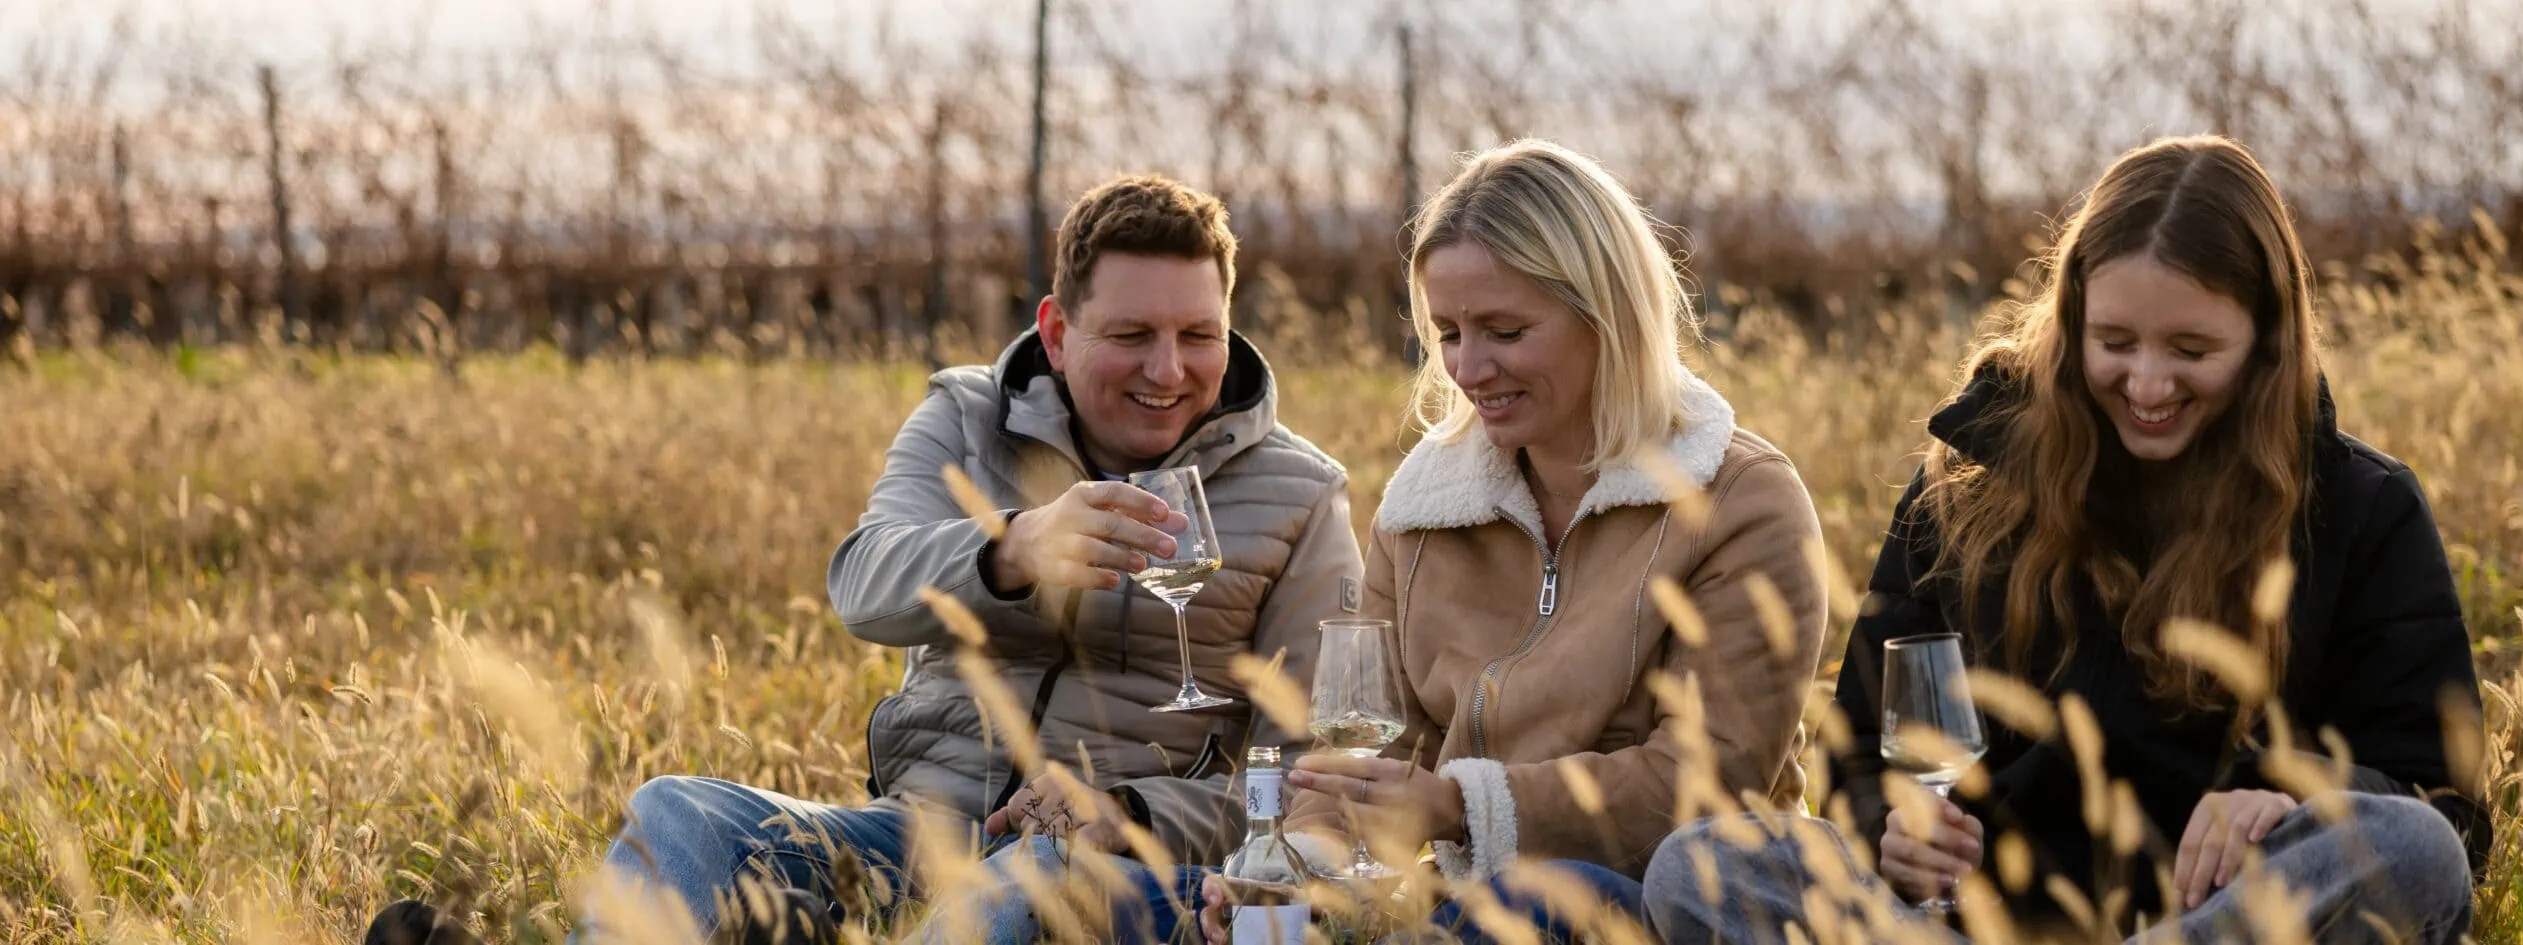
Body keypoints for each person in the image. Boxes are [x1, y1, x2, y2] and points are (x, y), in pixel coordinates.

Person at [364, 174, 1363, 945]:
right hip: (920, 830)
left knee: (1025, 883)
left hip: (1108, 865)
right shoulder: (966, 417)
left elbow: (1319, 775)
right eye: (1132, 334)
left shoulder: (1300, 494)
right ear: (1057, 334)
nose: (1169, 369)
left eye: (1198, 335)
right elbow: (863, 582)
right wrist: (1012, 547)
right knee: (681, 813)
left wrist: (1130, 810)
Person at [1642, 135, 2489, 945]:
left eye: (2191, 349)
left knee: (2412, 850)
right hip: (1970, 923)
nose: (2147, 384)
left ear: (2267, 338)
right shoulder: (1969, 484)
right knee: (1701, 864)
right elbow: (1858, 758)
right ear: (2072, 317)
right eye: (2115, 342)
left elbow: (2443, 807)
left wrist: (2293, 798)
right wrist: (1889, 829)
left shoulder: (2360, 508)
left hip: (2215, 922)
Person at [1192, 138, 1832, 944]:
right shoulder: (1422, 511)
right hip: (1461, 906)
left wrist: (1463, 806)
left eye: (1504, 330)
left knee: (1534, 898)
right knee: (1169, 897)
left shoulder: (1741, 502)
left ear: (1607, 314)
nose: (1469, 368)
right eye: (1449, 333)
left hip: (1663, 910)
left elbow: (1702, 784)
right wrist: (1301, 870)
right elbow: (1365, 751)